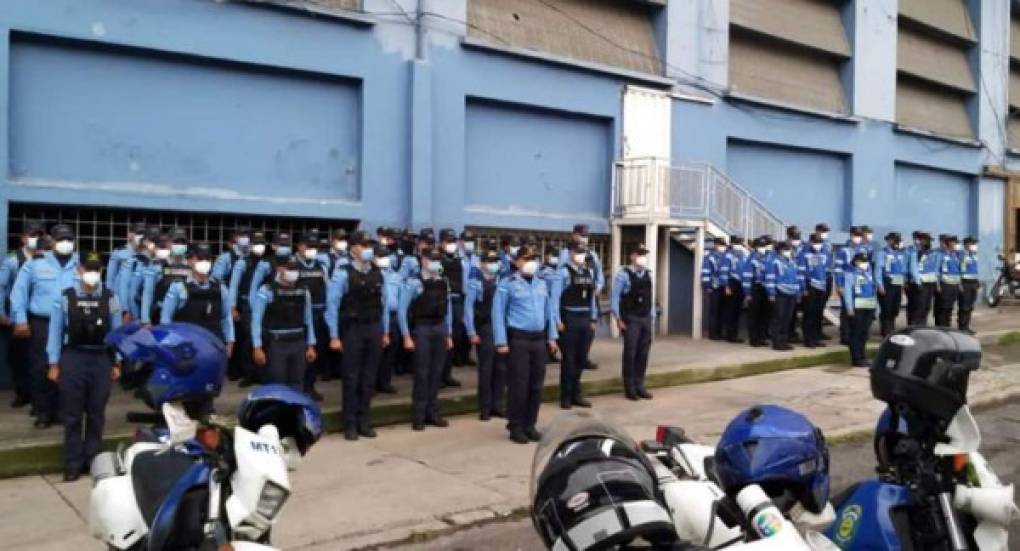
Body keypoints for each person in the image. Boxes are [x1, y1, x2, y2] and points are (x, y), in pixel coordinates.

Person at [45, 252, 122, 481]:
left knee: (96, 413)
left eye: (96, 269)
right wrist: (53, 363)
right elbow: (55, 332)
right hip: (73, 359)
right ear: (78, 270)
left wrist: (117, 361)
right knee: (72, 415)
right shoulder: (66, 297)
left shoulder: (110, 298)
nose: (92, 273)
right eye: (88, 268)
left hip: (100, 359)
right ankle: (72, 462)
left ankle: (93, 460)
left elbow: (116, 333)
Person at [11, 223, 80, 429]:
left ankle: (62, 412)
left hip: (71, 324)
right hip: (43, 323)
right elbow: (18, 293)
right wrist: (21, 319)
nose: (65, 243)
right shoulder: (35, 264)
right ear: (53, 242)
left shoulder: (81, 264)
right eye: (61, 239)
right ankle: (43, 412)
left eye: (69, 239)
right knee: (41, 369)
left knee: (68, 369)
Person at [326, 230, 390, 441]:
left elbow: (384, 305)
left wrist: (385, 331)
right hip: (353, 329)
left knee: (369, 377)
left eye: (369, 246)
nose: (367, 250)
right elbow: (332, 305)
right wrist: (334, 336)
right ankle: (350, 424)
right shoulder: (343, 273)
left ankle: (365, 421)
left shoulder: (378, 272)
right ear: (353, 248)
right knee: (352, 377)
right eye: (363, 246)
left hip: (374, 328)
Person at [493, 245, 558, 444]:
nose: (531, 262)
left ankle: (530, 424)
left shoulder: (540, 283)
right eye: (526, 258)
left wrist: (552, 336)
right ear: (516, 261)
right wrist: (501, 341)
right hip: (519, 339)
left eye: (534, 258)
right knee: (519, 384)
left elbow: (549, 311)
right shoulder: (508, 284)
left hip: (538, 339)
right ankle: (516, 425)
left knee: (536, 385)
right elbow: (498, 313)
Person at [399, 247, 452, 431]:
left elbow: (448, 310)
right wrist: (406, 336)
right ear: (423, 260)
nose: (436, 262)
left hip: (439, 328)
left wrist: (449, 334)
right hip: (422, 329)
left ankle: (433, 413)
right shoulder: (414, 282)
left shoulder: (443, 281)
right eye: (432, 259)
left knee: (436, 373)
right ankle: (419, 416)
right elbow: (402, 310)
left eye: (438, 259)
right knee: (422, 373)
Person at [250, 259, 317, 391]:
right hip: (276, 344)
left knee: (297, 383)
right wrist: (257, 347)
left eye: (295, 269)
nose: (293, 273)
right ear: (280, 269)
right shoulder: (267, 290)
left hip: (298, 343)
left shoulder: (304, 291)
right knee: (277, 383)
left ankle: (295, 411)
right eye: (289, 269)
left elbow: (308, 320)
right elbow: (256, 320)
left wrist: (311, 345)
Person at [0, 220, 45, 409]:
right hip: (17, 317)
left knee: (38, 358)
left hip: (38, 317)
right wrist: (1, 312)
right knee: (19, 357)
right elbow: (2, 288)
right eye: (32, 235)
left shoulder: (46, 258)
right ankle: (22, 394)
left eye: (39, 235)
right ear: (23, 238)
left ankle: (38, 396)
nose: (36, 239)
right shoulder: (12, 260)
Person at [160, 242, 234, 353]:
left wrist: (230, 341)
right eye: (199, 258)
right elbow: (166, 320)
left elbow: (226, 317)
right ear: (190, 261)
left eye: (207, 258)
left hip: (213, 347)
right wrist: (172, 344)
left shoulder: (221, 288)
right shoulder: (178, 288)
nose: (204, 262)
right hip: (186, 348)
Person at [551, 242, 597, 409]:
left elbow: (591, 298)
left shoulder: (588, 271)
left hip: (584, 318)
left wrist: (593, 318)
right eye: (577, 252)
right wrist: (557, 321)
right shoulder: (563, 272)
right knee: (569, 360)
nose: (580, 255)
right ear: (570, 253)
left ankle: (576, 393)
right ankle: (566, 396)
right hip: (569, 319)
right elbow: (554, 299)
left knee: (580, 359)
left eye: (583, 252)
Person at [610, 243, 655, 401]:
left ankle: (640, 385)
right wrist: (618, 318)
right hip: (631, 319)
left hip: (645, 318)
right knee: (630, 353)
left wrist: (652, 316)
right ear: (632, 256)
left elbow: (650, 297)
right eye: (639, 254)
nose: (642, 257)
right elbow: (615, 297)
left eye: (644, 254)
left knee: (643, 353)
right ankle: (629, 388)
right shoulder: (624, 275)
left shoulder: (648, 274)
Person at [465, 247, 505, 421]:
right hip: (486, 327)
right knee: (486, 369)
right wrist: (472, 331)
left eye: (495, 261)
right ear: (481, 263)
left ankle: (497, 404)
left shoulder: (502, 281)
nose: (493, 264)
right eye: (489, 261)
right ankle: (485, 407)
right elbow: (468, 309)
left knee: (501, 369)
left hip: (500, 328)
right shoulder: (475, 282)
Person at [228, 230, 267, 385]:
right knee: (248, 340)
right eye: (256, 243)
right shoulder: (242, 262)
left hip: (265, 305)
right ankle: (249, 373)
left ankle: (261, 373)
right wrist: (232, 307)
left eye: (261, 243)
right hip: (247, 306)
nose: (259, 247)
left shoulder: (267, 262)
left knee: (263, 339)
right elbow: (233, 286)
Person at [294, 231, 329, 402]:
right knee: (300, 354)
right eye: (309, 246)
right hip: (300, 316)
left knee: (316, 354)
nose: (312, 250)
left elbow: (327, 290)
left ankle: (310, 386)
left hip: (319, 314)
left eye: (315, 247)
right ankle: (298, 387)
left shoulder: (321, 267)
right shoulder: (293, 265)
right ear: (300, 246)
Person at [141, 227, 191, 327]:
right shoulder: (157, 265)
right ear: (168, 243)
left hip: (185, 316)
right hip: (159, 316)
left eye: (182, 242)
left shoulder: (190, 266)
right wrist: (146, 320)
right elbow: (148, 293)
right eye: (176, 242)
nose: (180, 245)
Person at [438, 228, 466, 385]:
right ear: (441, 243)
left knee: (454, 337)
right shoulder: (439, 259)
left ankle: (447, 374)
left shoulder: (457, 259)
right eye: (448, 241)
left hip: (458, 300)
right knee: (443, 339)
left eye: (453, 241)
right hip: (444, 301)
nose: (452, 244)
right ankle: (439, 375)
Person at [375, 243, 402, 394]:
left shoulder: (395, 275)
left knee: (390, 352)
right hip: (377, 316)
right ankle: (372, 384)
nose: (383, 259)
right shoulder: (372, 274)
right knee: (375, 352)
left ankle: (385, 382)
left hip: (393, 317)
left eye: (385, 256)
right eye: (380, 256)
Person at [119, 226, 161, 322]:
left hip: (155, 310)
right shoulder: (133, 261)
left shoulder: (160, 263)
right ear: (145, 241)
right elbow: (125, 288)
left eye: (157, 242)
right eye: (153, 241)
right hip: (134, 311)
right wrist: (126, 310)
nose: (156, 244)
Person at [842, 252, 877, 367]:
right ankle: (856, 358)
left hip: (869, 306)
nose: (865, 264)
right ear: (856, 262)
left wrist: (875, 308)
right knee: (856, 333)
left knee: (864, 333)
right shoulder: (850, 274)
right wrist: (849, 308)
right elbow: (847, 292)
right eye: (863, 262)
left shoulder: (869, 273)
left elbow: (873, 290)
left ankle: (862, 356)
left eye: (866, 262)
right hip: (857, 307)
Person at [765, 241, 801, 351]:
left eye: (789, 249)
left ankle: (784, 340)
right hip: (779, 292)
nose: (788, 251)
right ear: (780, 250)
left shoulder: (792, 262)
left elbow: (797, 278)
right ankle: (777, 342)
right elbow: (770, 278)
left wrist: (798, 292)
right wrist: (771, 292)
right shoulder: (774, 261)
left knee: (788, 317)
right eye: (786, 249)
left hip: (792, 293)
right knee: (778, 317)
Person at [798, 232, 831, 348]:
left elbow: (827, 270)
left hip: (821, 286)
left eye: (819, 242)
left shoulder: (825, 252)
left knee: (818, 313)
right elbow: (801, 272)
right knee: (809, 313)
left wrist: (826, 284)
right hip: (810, 285)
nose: (818, 245)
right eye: (815, 242)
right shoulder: (804, 253)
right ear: (811, 242)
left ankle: (816, 337)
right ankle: (808, 339)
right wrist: (803, 287)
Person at [834, 226, 865, 345]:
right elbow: (838, 269)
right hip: (847, 282)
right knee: (847, 310)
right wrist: (839, 284)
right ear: (851, 236)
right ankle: (845, 336)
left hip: (860, 283)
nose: (857, 238)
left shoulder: (863, 250)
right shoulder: (843, 250)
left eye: (859, 236)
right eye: (855, 236)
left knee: (858, 310)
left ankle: (855, 335)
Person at [874, 232, 908, 337]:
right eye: (895, 241)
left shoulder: (901, 254)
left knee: (895, 307)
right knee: (886, 308)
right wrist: (879, 285)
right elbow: (878, 270)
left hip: (897, 283)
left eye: (898, 241)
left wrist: (903, 283)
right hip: (886, 283)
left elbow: (903, 270)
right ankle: (886, 330)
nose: (897, 243)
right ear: (889, 241)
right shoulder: (882, 253)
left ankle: (891, 327)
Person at [742, 236, 772, 347]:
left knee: (764, 314)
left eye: (763, 246)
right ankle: (754, 339)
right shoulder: (751, 259)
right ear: (755, 247)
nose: (762, 248)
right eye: (760, 246)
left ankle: (762, 337)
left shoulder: (767, 258)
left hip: (765, 288)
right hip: (755, 288)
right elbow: (747, 277)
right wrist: (747, 293)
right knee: (754, 315)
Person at [105, 222, 145, 304]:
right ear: (130, 234)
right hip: (120, 300)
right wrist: (112, 304)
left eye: (143, 234)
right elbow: (110, 279)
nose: (141, 237)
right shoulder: (119, 252)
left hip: (139, 301)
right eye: (138, 233)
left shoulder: (147, 255)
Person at [908, 232, 938, 326]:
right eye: (927, 240)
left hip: (931, 282)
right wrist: (918, 282)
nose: (929, 242)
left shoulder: (932, 253)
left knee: (927, 306)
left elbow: (935, 268)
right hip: (921, 282)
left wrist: (936, 281)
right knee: (919, 306)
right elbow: (913, 268)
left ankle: (923, 324)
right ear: (921, 241)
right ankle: (916, 326)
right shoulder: (915, 252)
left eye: (929, 240)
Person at [701, 237, 728, 340]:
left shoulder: (725, 256)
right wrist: (707, 286)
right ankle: (713, 333)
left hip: (723, 286)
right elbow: (706, 272)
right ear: (716, 245)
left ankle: (720, 332)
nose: (722, 247)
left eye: (723, 245)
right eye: (720, 245)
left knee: (722, 311)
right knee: (714, 311)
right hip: (714, 286)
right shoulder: (709, 257)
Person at [721, 236, 747, 343]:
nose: (740, 245)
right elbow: (724, 272)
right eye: (738, 243)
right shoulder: (728, 255)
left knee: (737, 311)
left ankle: (735, 335)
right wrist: (726, 286)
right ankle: (729, 335)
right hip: (732, 283)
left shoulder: (743, 254)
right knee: (730, 311)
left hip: (741, 284)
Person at [934, 235, 962, 328]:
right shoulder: (941, 255)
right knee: (944, 307)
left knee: (950, 307)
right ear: (948, 243)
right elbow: (937, 270)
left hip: (955, 284)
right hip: (945, 284)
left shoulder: (956, 255)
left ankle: (948, 326)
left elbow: (959, 270)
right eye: (953, 242)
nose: (955, 244)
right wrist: (937, 284)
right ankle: (942, 327)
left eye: (955, 242)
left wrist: (960, 284)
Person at [958, 237, 980, 334]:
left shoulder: (974, 255)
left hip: (973, 281)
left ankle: (966, 326)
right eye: (972, 243)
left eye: (974, 243)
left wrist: (977, 281)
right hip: (965, 281)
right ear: (966, 244)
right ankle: (962, 327)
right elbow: (958, 269)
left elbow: (974, 268)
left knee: (970, 305)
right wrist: (960, 283)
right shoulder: (961, 254)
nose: (974, 245)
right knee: (964, 305)